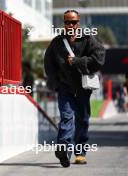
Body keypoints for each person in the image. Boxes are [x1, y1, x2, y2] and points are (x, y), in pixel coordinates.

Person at [44, 10, 105, 167]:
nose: (70, 25)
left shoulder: (89, 39)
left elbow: (99, 59)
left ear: (79, 22)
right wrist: (55, 83)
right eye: (67, 22)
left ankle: (80, 153)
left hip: (84, 87)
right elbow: (49, 64)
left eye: (73, 22)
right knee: (66, 117)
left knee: (83, 120)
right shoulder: (57, 42)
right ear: (63, 23)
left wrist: (78, 61)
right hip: (65, 87)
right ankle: (63, 149)